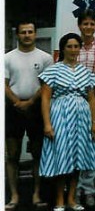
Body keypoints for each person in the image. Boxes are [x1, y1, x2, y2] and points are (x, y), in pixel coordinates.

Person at [39, 33, 95, 211]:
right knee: (62, 156)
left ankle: (72, 199)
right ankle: (59, 199)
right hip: (60, 116)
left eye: (76, 46)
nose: (73, 50)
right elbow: (45, 98)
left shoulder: (85, 72)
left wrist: (94, 123)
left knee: (77, 157)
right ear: (63, 48)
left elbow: (92, 99)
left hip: (82, 118)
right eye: (69, 46)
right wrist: (47, 124)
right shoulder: (53, 70)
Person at [5, 20, 54, 210]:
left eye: (30, 32)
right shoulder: (7, 58)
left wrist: (31, 102)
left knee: (37, 153)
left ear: (35, 34)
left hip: (36, 109)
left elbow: (46, 85)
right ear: (17, 35)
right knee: (13, 154)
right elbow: (4, 84)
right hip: (12, 108)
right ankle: (14, 196)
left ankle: (36, 194)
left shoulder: (45, 58)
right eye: (23, 32)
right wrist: (17, 102)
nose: (27, 35)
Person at [75, 9, 95, 208]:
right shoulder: (71, 46)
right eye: (85, 23)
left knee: (92, 144)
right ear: (79, 25)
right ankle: (74, 188)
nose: (88, 27)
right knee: (73, 145)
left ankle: (89, 189)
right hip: (72, 102)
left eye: (91, 24)